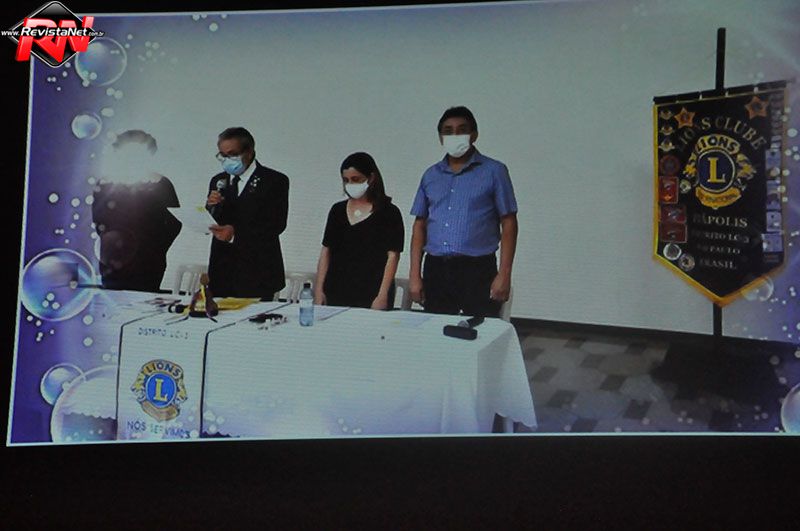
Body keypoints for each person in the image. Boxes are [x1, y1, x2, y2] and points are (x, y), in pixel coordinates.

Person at [409, 106, 518, 317]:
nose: (455, 135)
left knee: (480, 330)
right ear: (440, 138)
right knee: (435, 330)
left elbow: (509, 222)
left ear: (474, 135)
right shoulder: (430, 175)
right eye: (448, 131)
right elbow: (419, 225)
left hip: (477, 269)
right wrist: (414, 274)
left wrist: (505, 274)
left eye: (462, 130)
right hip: (436, 268)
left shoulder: (494, 171)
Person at [93, 130, 182, 292]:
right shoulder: (106, 184)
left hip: (148, 263)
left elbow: (175, 222)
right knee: (112, 301)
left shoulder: (160, 183)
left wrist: (155, 248)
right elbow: (99, 221)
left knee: (145, 301)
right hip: (112, 261)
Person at [205, 127, 289, 299]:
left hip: (257, 270)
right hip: (222, 269)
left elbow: (276, 224)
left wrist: (235, 234)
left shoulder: (274, 181)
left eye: (232, 154)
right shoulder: (218, 181)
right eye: (222, 155)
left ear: (249, 152)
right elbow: (215, 219)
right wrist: (211, 207)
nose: (227, 160)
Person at [314, 152, 404, 310]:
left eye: (356, 179)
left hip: (372, 291)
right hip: (336, 290)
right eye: (346, 180)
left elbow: (393, 256)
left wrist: (382, 295)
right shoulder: (337, 210)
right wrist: (319, 289)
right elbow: (326, 251)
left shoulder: (389, 212)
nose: (350, 184)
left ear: (371, 178)